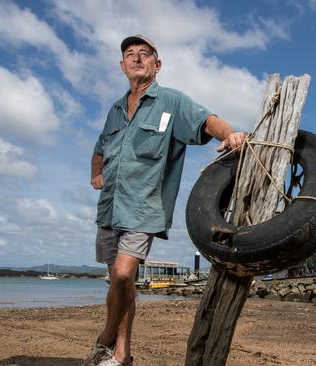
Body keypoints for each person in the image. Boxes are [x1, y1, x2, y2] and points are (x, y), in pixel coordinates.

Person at [85, 35, 246, 366]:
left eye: (144, 54)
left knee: (123, 276)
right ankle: (122, 354)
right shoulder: (115, 110)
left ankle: (104, 339)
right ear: (121, 66)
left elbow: (206, 120)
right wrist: (95, 176)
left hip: (144, 206)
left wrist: (230, 133)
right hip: (109, 209)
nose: (136, 58)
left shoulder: (171, 101)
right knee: (118, 285)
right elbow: (100, 148)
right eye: (129, 55)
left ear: (157, 65)